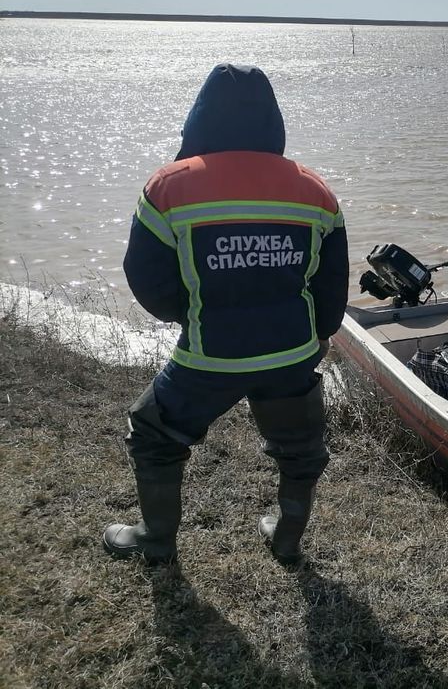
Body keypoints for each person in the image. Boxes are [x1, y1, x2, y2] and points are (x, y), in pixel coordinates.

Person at [103, 64, 349, 565]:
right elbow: (332, 281)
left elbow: (145, 276)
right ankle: (285, 538)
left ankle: (156, 540)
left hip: (208, 356)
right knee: (300, 450)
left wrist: (188, 315)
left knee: (154, 434)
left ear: (199, 117)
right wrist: (320, 335)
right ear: (273, 120)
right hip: (292, 352)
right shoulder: (315, 189)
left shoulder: (169, 185)